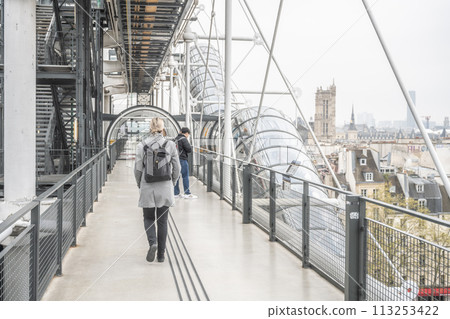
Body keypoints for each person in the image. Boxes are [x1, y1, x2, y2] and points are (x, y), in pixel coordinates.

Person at [134, 118, 180, 263]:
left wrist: (139, 184)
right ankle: (161, 255)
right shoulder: (171, 144)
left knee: (148, 218)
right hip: (165, 186)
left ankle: (152, 242)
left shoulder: (142, 145)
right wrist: (172, 182)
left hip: (147, 185)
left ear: (150, 128)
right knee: (163, 221)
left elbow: (137, 168)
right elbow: (177, 167)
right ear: (162, 127)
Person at [174, 127, 198, 199]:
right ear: (186, 133)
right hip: (182, 159)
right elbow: (189, 149)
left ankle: (176, 193)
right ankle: (187, 193)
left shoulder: (175, 139)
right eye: (188, 134)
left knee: (176, 176)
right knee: (185, 176)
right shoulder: (184, 139)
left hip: (176, 159)